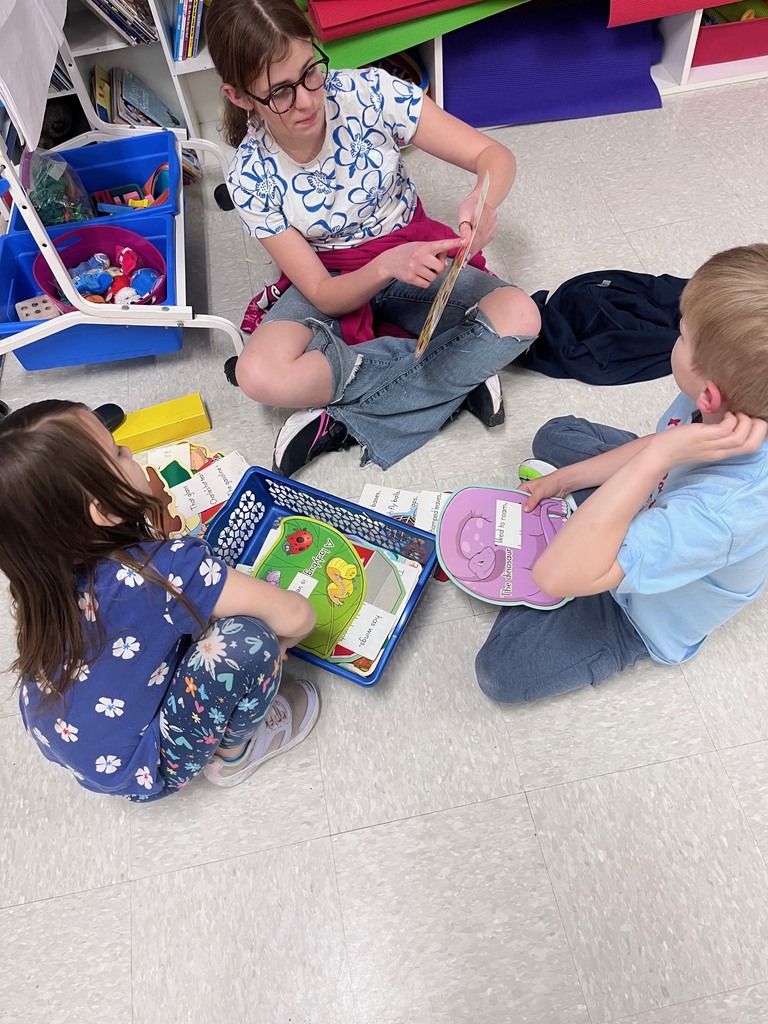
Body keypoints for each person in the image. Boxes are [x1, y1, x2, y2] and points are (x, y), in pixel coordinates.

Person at [206, 0, 540, 477]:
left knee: (521, 315)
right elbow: (323, 294)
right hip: (331, 277)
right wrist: (385, 266)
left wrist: (484, 200)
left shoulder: (371, 93)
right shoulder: (249, 175)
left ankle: (340, 416)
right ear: (240, 98)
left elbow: (492, 155)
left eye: (310, 72)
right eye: (279, 92)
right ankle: (459, 375)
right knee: (256, 374)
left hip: (414, 251)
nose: (305, 100)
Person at [475, 244, 768, 703]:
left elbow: (554, 576)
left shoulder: (722, 514)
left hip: (639, 609)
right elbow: (658, 445)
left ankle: (585, 537)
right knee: (558, 434)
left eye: (681, 334)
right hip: (661, 491)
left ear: (708, 393)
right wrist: (562, 482)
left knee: (502, 672)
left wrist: (654, 461)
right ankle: (587, 520)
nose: (672, 335)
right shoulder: (737, 406)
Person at [5, 401, 318, 800]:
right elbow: (297, 615)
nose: (130, 453)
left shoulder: (39, 580)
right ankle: (234, 756)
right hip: (146, 762)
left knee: (200, 592)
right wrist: (284, 637)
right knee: (249, 641)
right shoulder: (162, 570)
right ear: (102, 511)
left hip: (80, 745)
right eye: (118, 451)